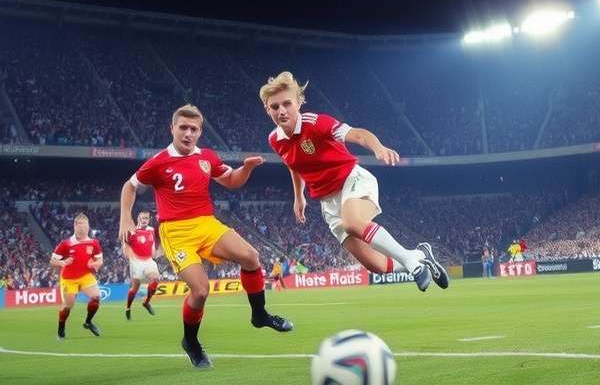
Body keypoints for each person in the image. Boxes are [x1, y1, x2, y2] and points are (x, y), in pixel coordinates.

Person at [118, 104, 293, 369]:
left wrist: (245, 168)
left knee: (251, 256)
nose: (188, 133)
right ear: (172, 129)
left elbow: (232, 181)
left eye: (194, 129)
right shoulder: (158, 162)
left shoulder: (207, 157)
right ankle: (191, 342)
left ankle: (260, 314)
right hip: (176, 231)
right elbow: (129, 187)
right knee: (200, 290)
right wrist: (125, 217)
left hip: (206, 224)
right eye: (183, 128)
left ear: (200, 132)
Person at [260, 72, 448, 292]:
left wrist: (378, 147)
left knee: (353, 222)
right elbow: (294, 164)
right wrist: (298, 195)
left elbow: (357, 134)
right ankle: (420, 255)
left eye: (287, 103)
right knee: (376, 265)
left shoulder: (317, 123)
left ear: (299, 102)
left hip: (352, 179)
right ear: (267, 109)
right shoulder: (274, 139)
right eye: (274, 107)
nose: (281, 111)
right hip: (327, 202)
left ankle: (410, 261)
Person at [50, 213, 103, 339]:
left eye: (85, 225)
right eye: (80, 225)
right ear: (75, 226)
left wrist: (94, 264)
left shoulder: (94, 243)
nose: (82, 228)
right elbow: (52, 261)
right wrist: (63, 262)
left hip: (85, 276)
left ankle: (88, 322)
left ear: (89, 226)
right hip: (69, 279)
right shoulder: (66, 244)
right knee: (68, 307)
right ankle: (61, 327)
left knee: (96, 297)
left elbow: (100, 261)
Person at [123, 210, 160, 320]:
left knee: (156, 280)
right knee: (135, 288)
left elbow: (153, 244)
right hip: (136, 261)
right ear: (138, 218)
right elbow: (125, 247)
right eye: (142, 218)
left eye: (147, 218)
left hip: (148, 260)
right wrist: (130, 256)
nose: (144, 220)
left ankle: (146, 302)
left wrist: (155, 252)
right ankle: (128, 308)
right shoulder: (132, 231)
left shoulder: (152, 231)